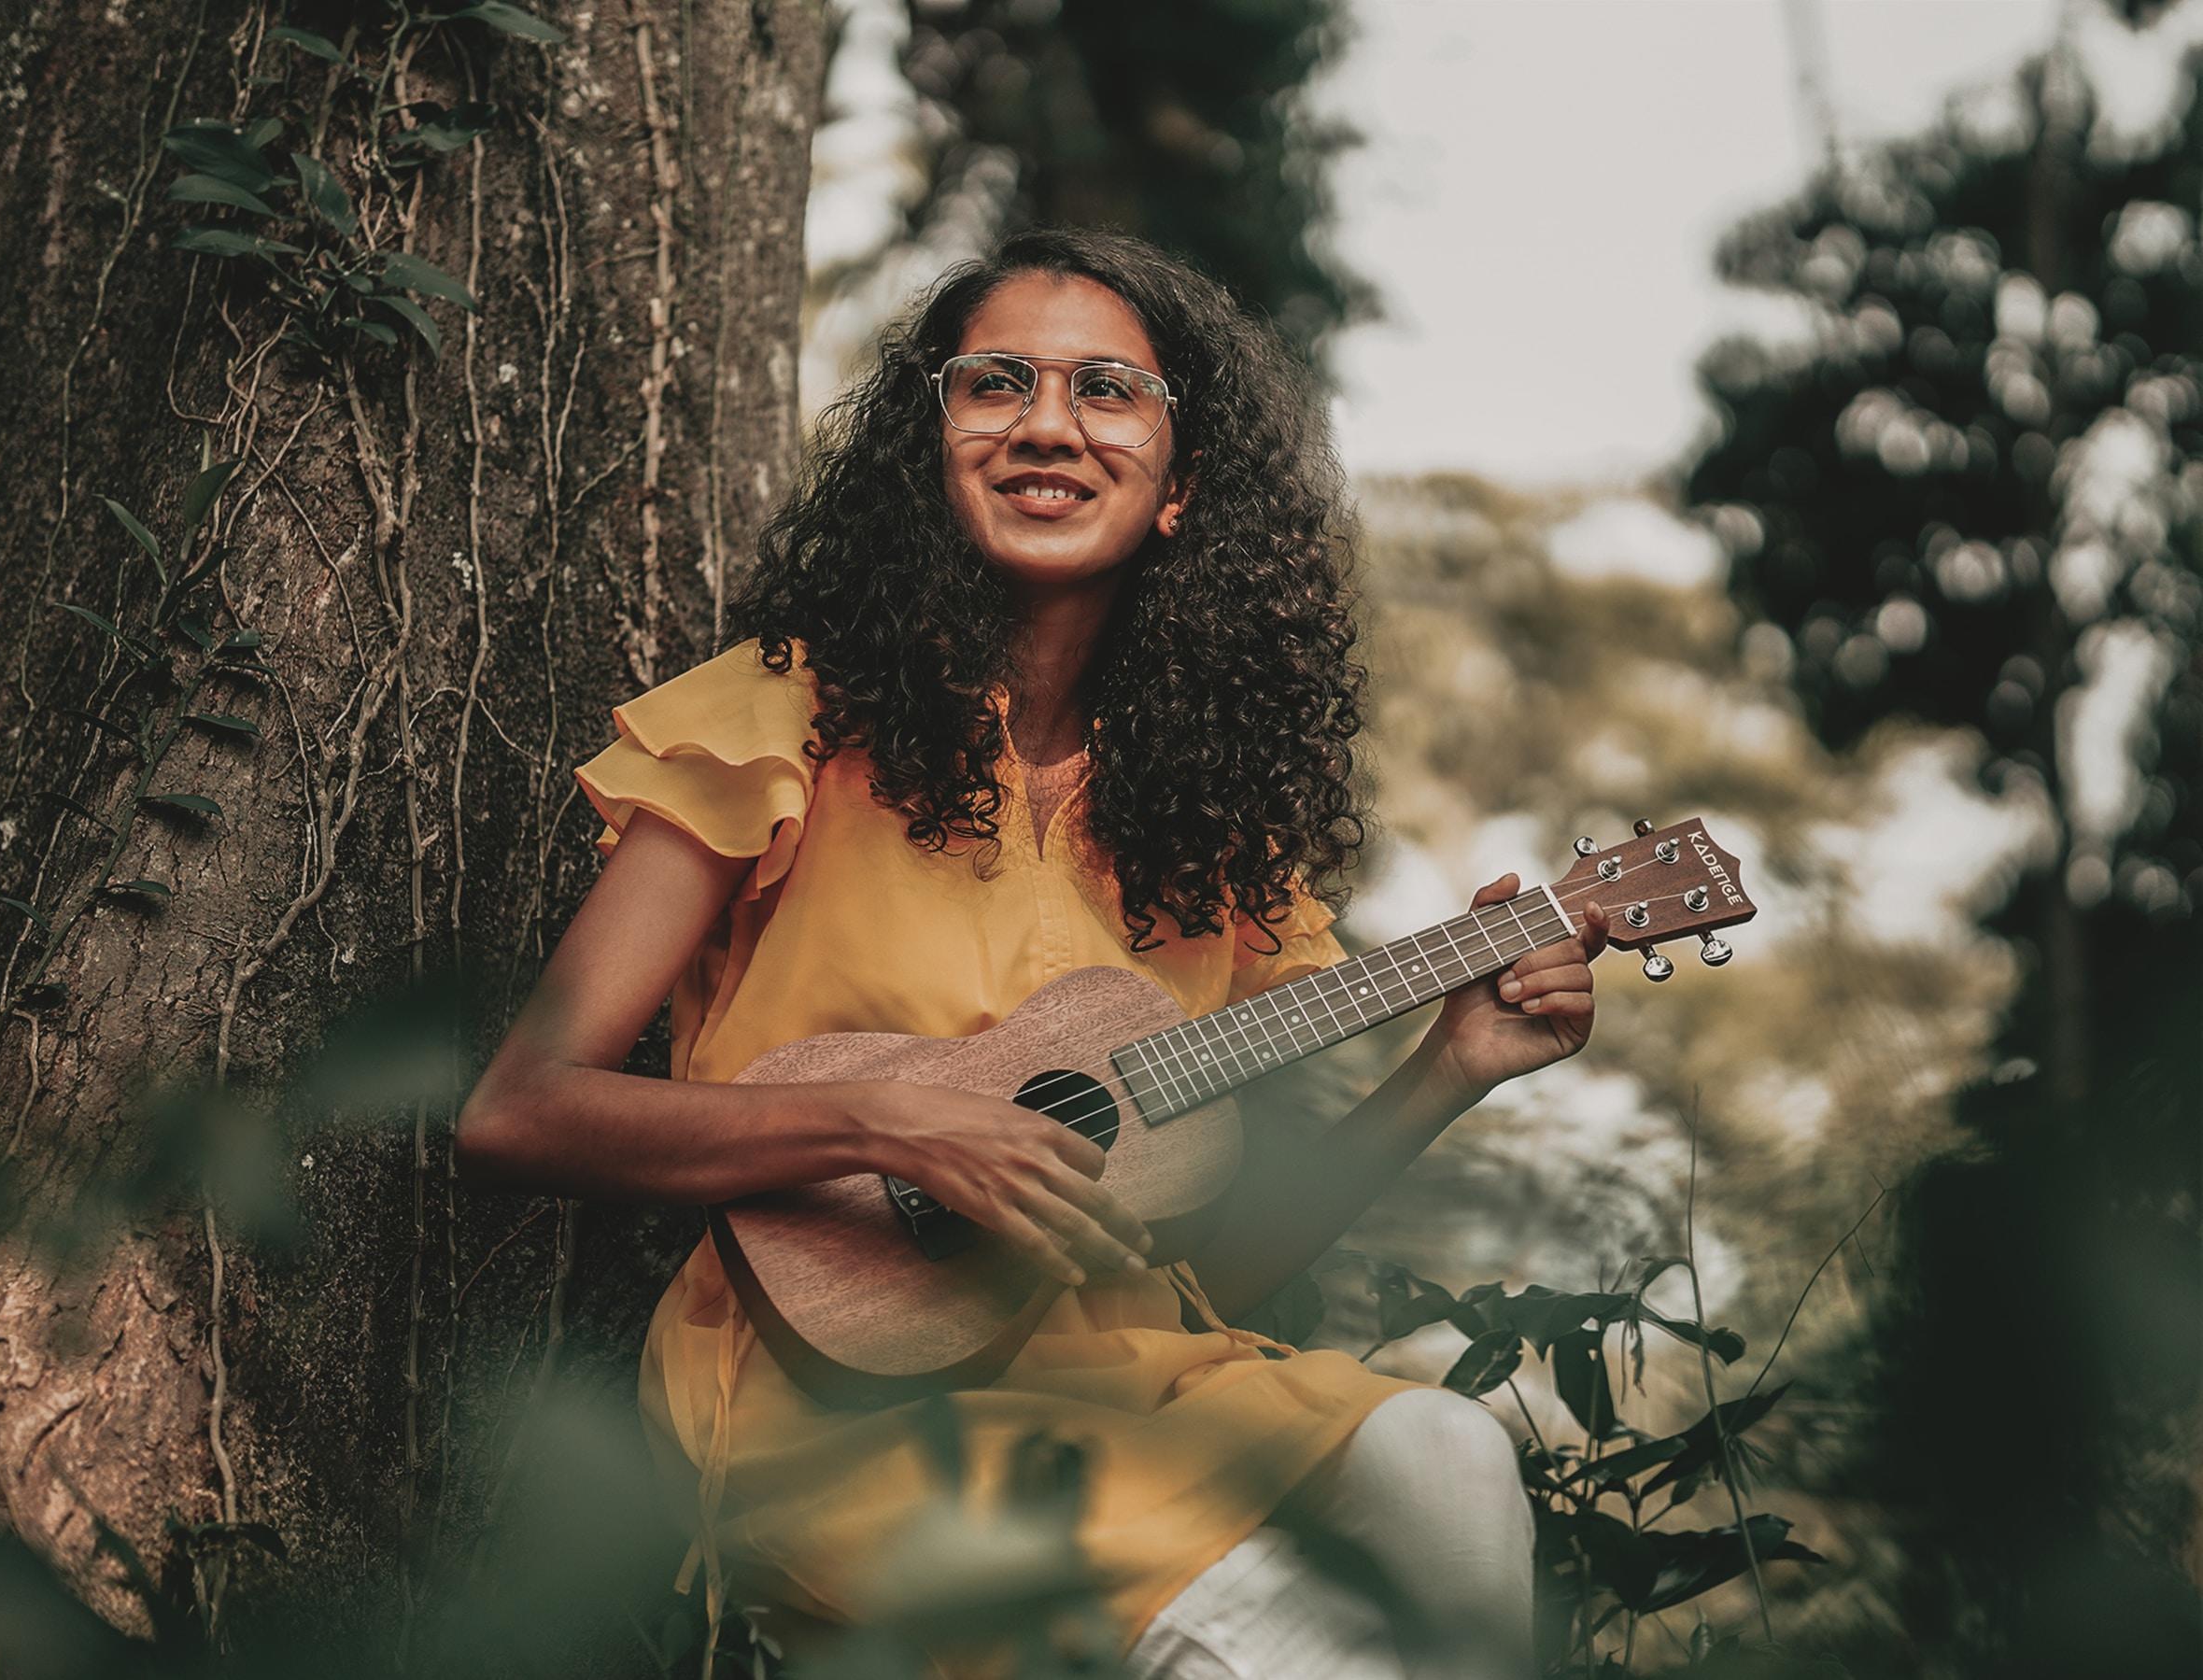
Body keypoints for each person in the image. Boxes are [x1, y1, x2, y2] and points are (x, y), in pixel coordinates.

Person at [457, 226, 1606, 1680]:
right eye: (995, 382)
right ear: (930, 451)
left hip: (1138, 1390)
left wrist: (1449, 1068)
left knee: (1443, 1454)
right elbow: (517, 1110)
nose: (1046, 422)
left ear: (1182, 486)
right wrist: (888, 1123)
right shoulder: (779, 719)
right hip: (840, 1416)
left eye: (1107, 391)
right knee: (1287, 1643)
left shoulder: (1207, 835)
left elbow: (1205, 1268)